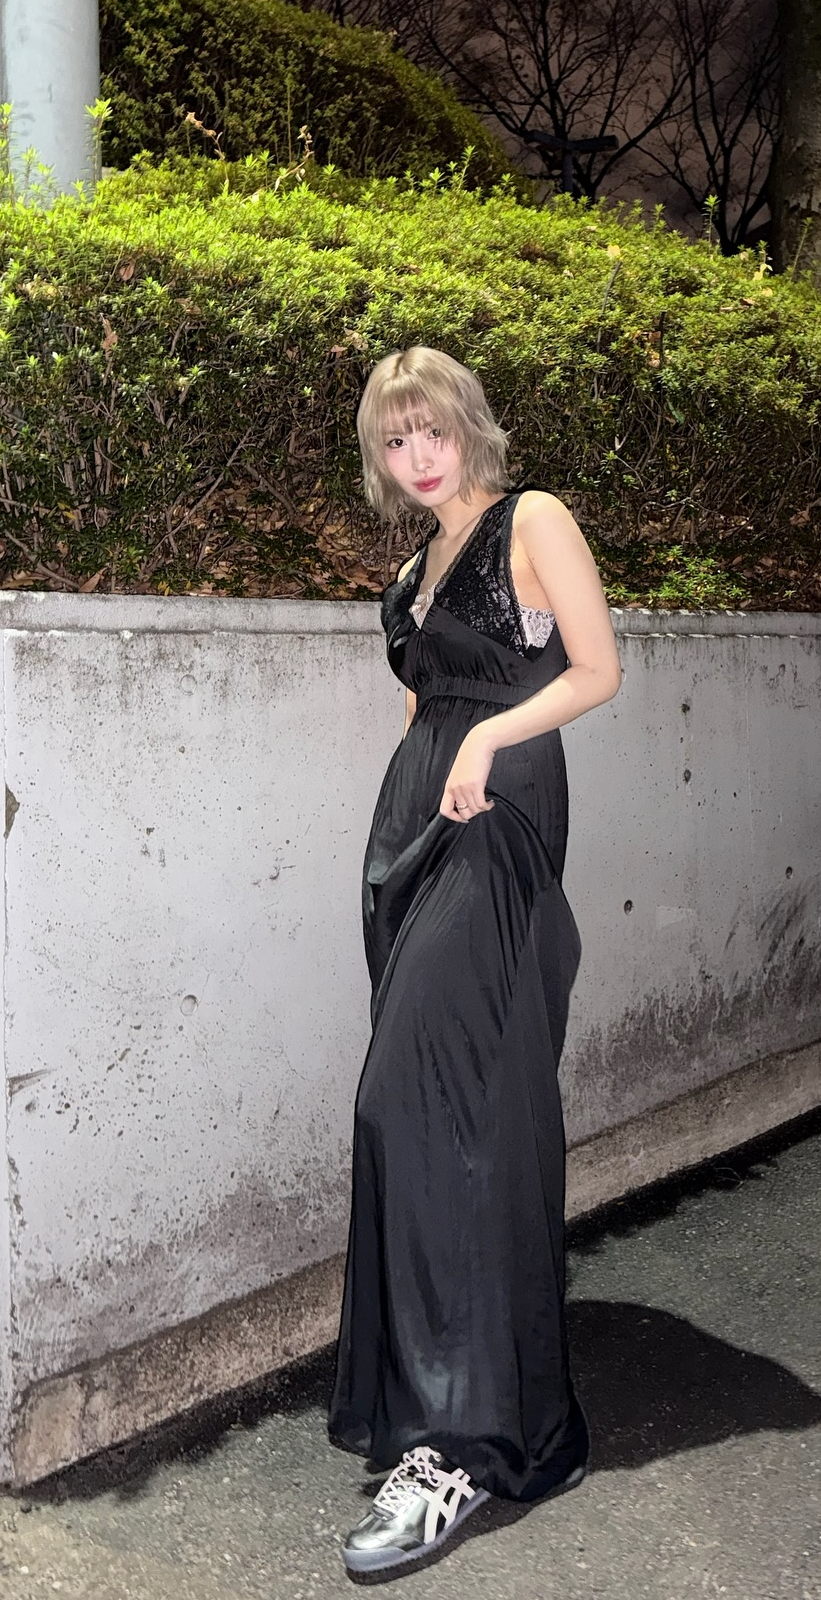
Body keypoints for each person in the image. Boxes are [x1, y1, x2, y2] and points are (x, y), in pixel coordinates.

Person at [327, 346, 623, 1576]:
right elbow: (421, 705)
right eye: (394, 440)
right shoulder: (414, 569)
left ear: (469, 425)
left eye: (431, 429)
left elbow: (598, 670)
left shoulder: (531, 519)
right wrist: (403, 810)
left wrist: (491, 736)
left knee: (413, 1100)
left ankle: (458, 1441)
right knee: (464, 1114)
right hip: (413, 838)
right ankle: (484, 1411)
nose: (417, 455)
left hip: (497, 825)